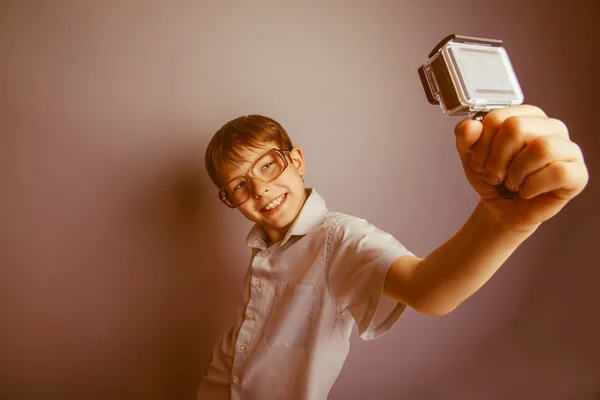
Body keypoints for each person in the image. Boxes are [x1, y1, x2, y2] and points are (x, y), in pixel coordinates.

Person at [197, 106, 589, 400]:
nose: (260, 189)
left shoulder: (338, 238)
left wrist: (504, 223)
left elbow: (427, 289)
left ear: (296, 162)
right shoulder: (261, 246)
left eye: (268, 165)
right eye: (239, 185)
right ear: (230, 199)